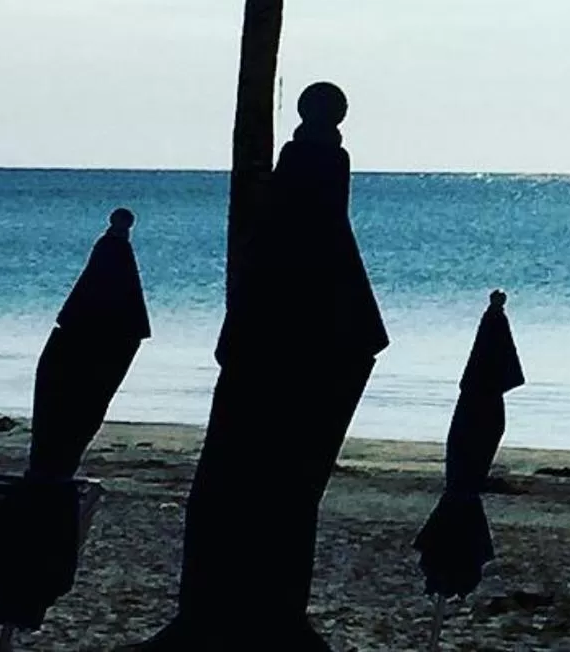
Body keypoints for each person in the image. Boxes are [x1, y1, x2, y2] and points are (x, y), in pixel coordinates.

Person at [140, 83, 388, 651]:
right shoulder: (308, 213)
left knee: (257, 497)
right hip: (303, 339)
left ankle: (244, 611)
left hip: (289, 340)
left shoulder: (302, 202)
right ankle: (244, 610)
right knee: (273, 499)